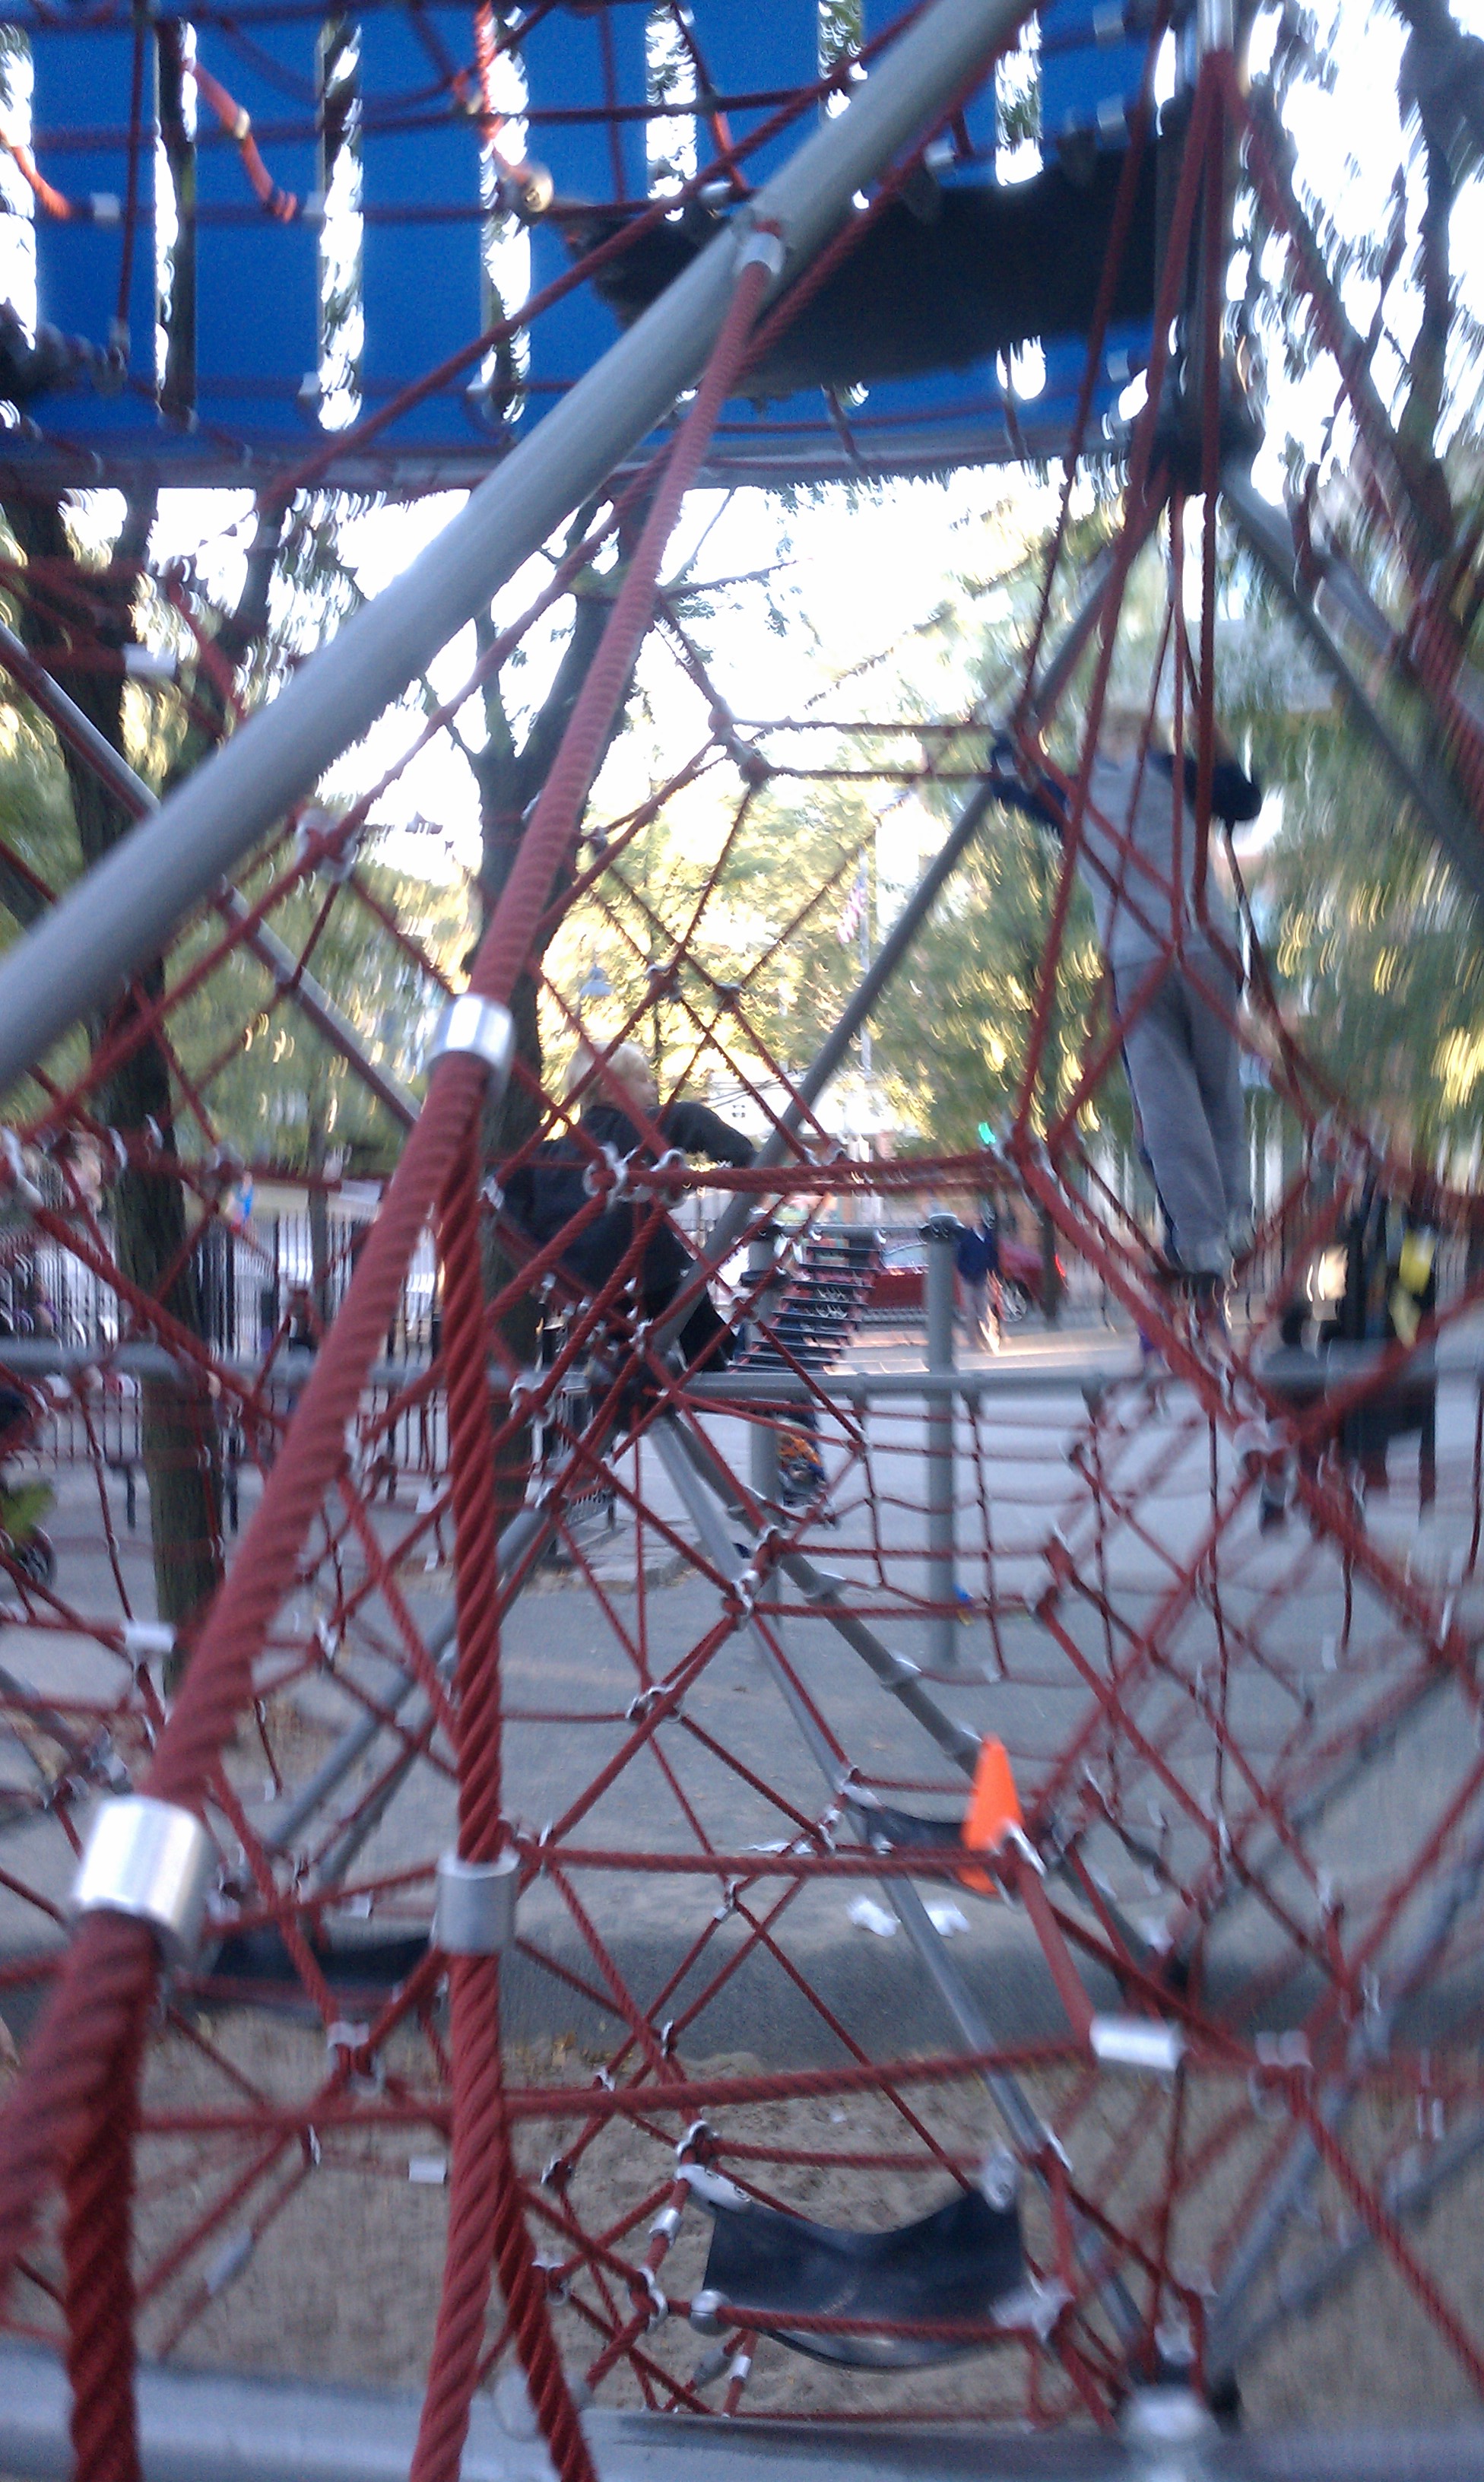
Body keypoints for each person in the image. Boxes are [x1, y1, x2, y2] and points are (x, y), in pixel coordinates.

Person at [993, 709, 1263, 1290]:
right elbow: (1245, 803)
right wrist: (1218, 746)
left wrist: (1009, 730)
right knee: (1219, 1089)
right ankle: (1237, 1219)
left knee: (1168, 1105)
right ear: (1154, 740)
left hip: (1137, 961)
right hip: (1206, 949)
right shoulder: (1178, 773)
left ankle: (1202, 1240)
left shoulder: (1074, 794)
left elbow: (1006, 783)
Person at [504, 1039, 756, 1372]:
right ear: (610, 1090)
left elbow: (504, 1188)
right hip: (650, 1275)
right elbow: (689, 1117)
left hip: (583, 1287)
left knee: (614, 1363)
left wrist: (537, 1255)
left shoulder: (550, 1156)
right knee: (692, 1304)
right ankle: (717, 1363)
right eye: (644, 1080)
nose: (653, 1089)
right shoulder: (635, 1129)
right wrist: (746, 1157)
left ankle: (618, 1380)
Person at [955, 1206, 1002, 1351]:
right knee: (970, 1311)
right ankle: (973, 1342)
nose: (977, 1219)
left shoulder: (989, 1236)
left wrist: (995, 1273)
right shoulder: (966, 1237)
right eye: (974, 1217)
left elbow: (993, 1256)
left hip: (983, 1277)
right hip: (968, 1278)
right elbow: (959, 1258)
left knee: (984, 1310)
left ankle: (989, 1341)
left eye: (979, 1217)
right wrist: (966, 1271)